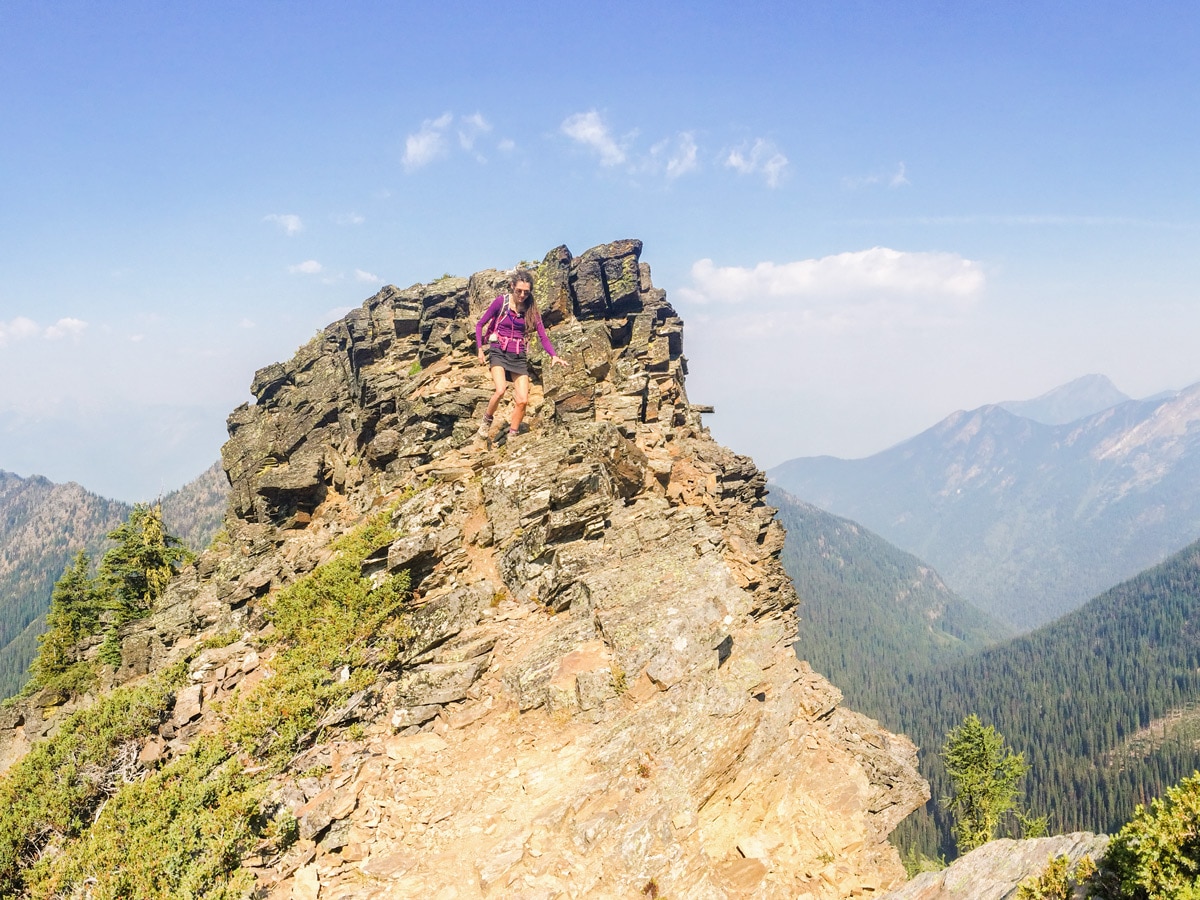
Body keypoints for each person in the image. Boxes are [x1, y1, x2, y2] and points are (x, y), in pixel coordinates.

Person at [475, 269, 568, 440]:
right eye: (519, 291)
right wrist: (480, 349)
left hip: (518, 354)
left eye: (526, 292)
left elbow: (542, 336)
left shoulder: (531, 310)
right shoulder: (500, 302)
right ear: (512, 286)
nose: (522, 295)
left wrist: (553, 355)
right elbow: (480, 324)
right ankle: (486, 421)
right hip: (498, 351)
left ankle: (513, 435)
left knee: (523, 400)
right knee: (501, 389)